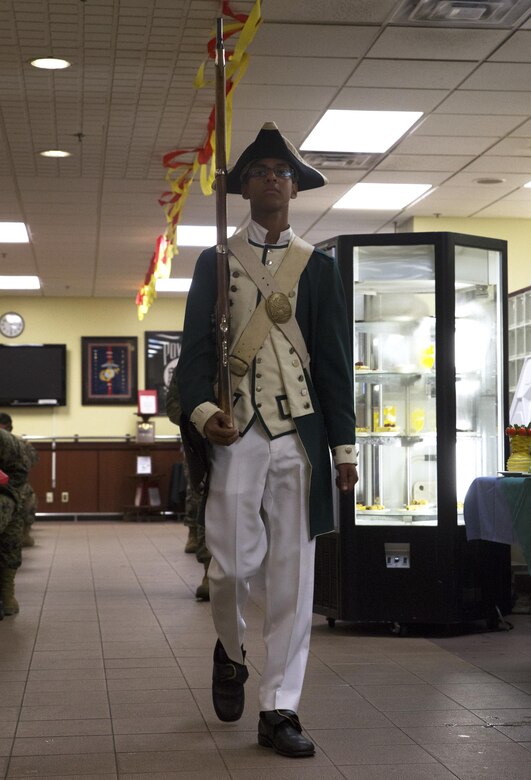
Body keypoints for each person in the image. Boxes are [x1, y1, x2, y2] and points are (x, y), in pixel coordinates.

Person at [176, 122, 358, 758]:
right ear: (245, 187)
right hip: (237, 433)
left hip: (301, 437)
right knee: (228, 569)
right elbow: (195, 354)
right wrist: (202, 413)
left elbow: (334, 365)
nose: (271, 178)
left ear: (295, 186)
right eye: (259, 170)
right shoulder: (216, 262)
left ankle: (279, 706)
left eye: (282, 170)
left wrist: (344, 449)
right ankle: (230, 651)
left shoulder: (321, 268)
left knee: (292, 579)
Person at [166, 381, 212, 601]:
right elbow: (173, 406)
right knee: (203, 501)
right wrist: (195, 420)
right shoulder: (188, 364)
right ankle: (209, 572)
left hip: (243, 436)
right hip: (199, 443)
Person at [0, 425, 37, 615]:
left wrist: (10, 493)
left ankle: (7, 595)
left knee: (9, 538)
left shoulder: (7, 442)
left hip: (6, 487)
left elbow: (21, 467)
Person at [0, 413, 37, 548]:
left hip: (10, 484)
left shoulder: (18, 443)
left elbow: (29, 462)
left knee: (26, 492)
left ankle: (22, 531)